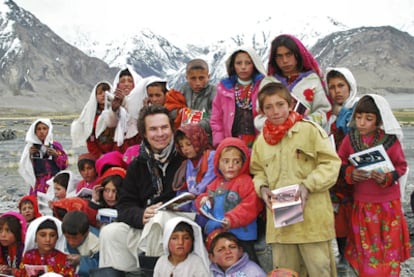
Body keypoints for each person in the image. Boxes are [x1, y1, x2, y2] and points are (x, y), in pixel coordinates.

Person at [250, 77, 341, 276]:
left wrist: (308, 185)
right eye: (269, 107)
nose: (275, 111)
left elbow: (331, 164)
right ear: (262, 111)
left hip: (312, 221)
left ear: (290, 104)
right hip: (281, 225)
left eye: (280, 104)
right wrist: (262, 189)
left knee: (319, 270)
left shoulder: (309, 131)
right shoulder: (261, 142)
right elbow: (257, 172)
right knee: (285, 271)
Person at [98, 105, 185, 274]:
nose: (160, 134)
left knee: (157, 221)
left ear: (172, 129)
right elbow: (124, 206)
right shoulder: (137, 165)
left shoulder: (184, 158)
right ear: (144, 134)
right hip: (144, 224)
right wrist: (140, 214)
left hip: (176, 226)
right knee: (110, 232)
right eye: (153, 129)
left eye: (164, 127)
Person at [337, 94, 410, 276]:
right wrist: (350, 173)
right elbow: (339, 162)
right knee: (366, 249)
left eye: (368, 119)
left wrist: (387, 177)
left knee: (388, 248)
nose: (361, 123)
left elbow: (401, 166)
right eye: (359, 117)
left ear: (379, 121)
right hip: (363, 205)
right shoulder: (350, 140)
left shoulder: (390, 141)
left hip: (388, 207)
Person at [195, 137, 264, 265]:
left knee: (246, 264)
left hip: (241, 236)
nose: (230, 166)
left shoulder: (246, 182)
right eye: (226, 161)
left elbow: (251, 206)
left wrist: (232, 219)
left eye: (236, 161)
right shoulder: (215, 183)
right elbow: (205, 196)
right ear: (218, 163)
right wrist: (203, 201)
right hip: (219, 234)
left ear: (243, 163)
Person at [325, 67, 359, 267]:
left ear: (350, 86)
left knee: (354, 215)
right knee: (338, 218)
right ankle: (343, 258)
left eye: (341, 86)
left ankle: (353, 258)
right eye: (332, 87)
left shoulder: (358, 110)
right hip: (335, 175)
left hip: (353, 173)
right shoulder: (330, 114)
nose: (336, 91)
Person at [266, 34, 331, 130]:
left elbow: (324, 111)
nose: (285, 60)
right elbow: (259, 115)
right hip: (274, 138)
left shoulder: (312, 80)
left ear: (297, 55)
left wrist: (303, 121)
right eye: (279, 56)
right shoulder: (268, 83)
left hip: (306, 137)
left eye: (289, 54)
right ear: (274, 59)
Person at [211, 46, 266, 148]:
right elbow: (216, 118)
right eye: (239, 63)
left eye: (248, 63)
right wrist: (219, 142)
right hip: (231, 141)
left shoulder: (263, 87)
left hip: (260, 141)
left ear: (254, 64)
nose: (243, 67)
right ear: (233, 66)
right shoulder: (223, 90)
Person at [173, 124, 216, 226]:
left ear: (198, 140)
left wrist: (194, 193)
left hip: (209, 205)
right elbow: (184, 187)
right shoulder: (187, 164)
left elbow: (209, 179)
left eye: (189, 144)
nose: (185, 149)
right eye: (182, 146)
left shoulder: (211, 156)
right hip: (193, 211)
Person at [18, 118, 68, 195]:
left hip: (54, 181)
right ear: (35, 132)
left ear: (49, 130)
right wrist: (30, 157)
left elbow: (64, 165)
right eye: (39, 129)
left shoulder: (55, 145)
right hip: (38, 183)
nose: (42, 132)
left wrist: (56, 155)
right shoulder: (30, 147)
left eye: (44, 129)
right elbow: (26, 168)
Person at [102, 65, 144, 153]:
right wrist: (114, 110)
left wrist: (124, 102)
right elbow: (110, 124)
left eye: (130, 81)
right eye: (122, 81)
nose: (126, 84)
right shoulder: (112, 100)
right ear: (118, 85)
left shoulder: (141, 99)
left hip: (138, 140)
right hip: (120, 141)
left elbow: (136, 115)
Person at [71, 81, 114, 159]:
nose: (104, 95)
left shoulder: (116, 112)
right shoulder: (91, 115)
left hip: (116, 152)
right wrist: (99, 155)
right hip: (98, 153)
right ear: (95, 96)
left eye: (107, 92)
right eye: (100, 93)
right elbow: (90, 137)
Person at [177, 59, 216, 136]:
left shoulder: (213, 92)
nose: (197, 83)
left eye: (201, 78)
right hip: (185, 136)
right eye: (193, 78)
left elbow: (215, 117)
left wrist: (196, 126)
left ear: (208, 77)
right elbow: (173, 106)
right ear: (187, 78)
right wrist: (179, 113)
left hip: (206, 136)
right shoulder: (184, 90)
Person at [62, 211, 99, 277]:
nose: (71, 242)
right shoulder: (60, 236)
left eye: (75, 238)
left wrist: (81, 260)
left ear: (86, 233)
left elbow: (103, 268)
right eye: (67, 237)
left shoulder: (97, 241)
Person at [0, 212, 27, 276]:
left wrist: (13, 272)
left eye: (8, 231)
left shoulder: (25, 251)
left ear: (18, 232)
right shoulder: (2, 248)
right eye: (0, 230)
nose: (3, 235)